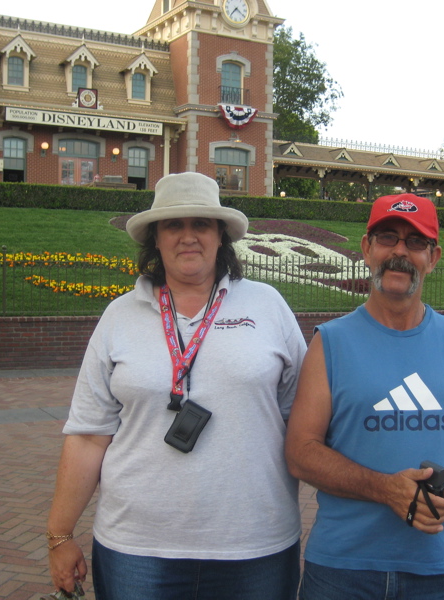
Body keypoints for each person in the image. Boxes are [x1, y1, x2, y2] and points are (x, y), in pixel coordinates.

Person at [46, 172, 306, 600]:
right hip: (137, 549)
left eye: (201, 224)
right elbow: (89, 435)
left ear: (220, 236)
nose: (188, 236)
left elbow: (304, 421)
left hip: (254, 544)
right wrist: (59, 535)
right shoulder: (119, 316)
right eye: (173, 225)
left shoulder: (267, 306)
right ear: (156, 238)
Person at [285, 193, 444, 600]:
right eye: (388, 237)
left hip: (437, 572)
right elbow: (300, 452)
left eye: (415, 242)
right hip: (342, 571)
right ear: (367, 249)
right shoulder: (330, 342)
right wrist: (386, 489)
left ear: (433, 258)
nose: (400, 251)